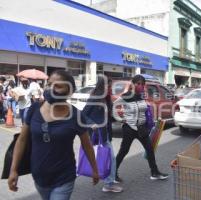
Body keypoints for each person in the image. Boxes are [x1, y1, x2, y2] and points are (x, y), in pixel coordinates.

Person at [8, 70, 99, 200]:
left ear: (69, 91)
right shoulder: (34, 109)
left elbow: (87, 145)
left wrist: (94, 169)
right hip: (39, 176)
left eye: (58, 86)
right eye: (49, 84)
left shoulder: (76, 115)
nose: (51, 88)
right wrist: (13, 170)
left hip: (64, 176)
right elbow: (22, 140)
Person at [113, 75, 168, 182]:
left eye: (142, 84)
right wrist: (120, 119)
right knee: (124, 151)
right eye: (138, 84)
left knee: (150, 149)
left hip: (142, 129)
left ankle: (154, 172)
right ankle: (113, 173)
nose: (140, 86)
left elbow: (144, 111)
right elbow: (114, 107)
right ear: (133, 84)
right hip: (129, 128)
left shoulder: (142, 96)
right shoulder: (125, 96)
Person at [82, 76, 123, 193]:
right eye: (107, 85)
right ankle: (109, 184)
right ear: (101, 86)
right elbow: (83, 114)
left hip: (104, 134)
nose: (109, 88)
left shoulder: (106, 98)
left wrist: (119, 119)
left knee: (108, 158)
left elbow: (107, 117)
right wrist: (92, 124)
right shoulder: (95, 98)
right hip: (97, 134)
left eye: (110, 86)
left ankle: (109, 180)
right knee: (110, 158)